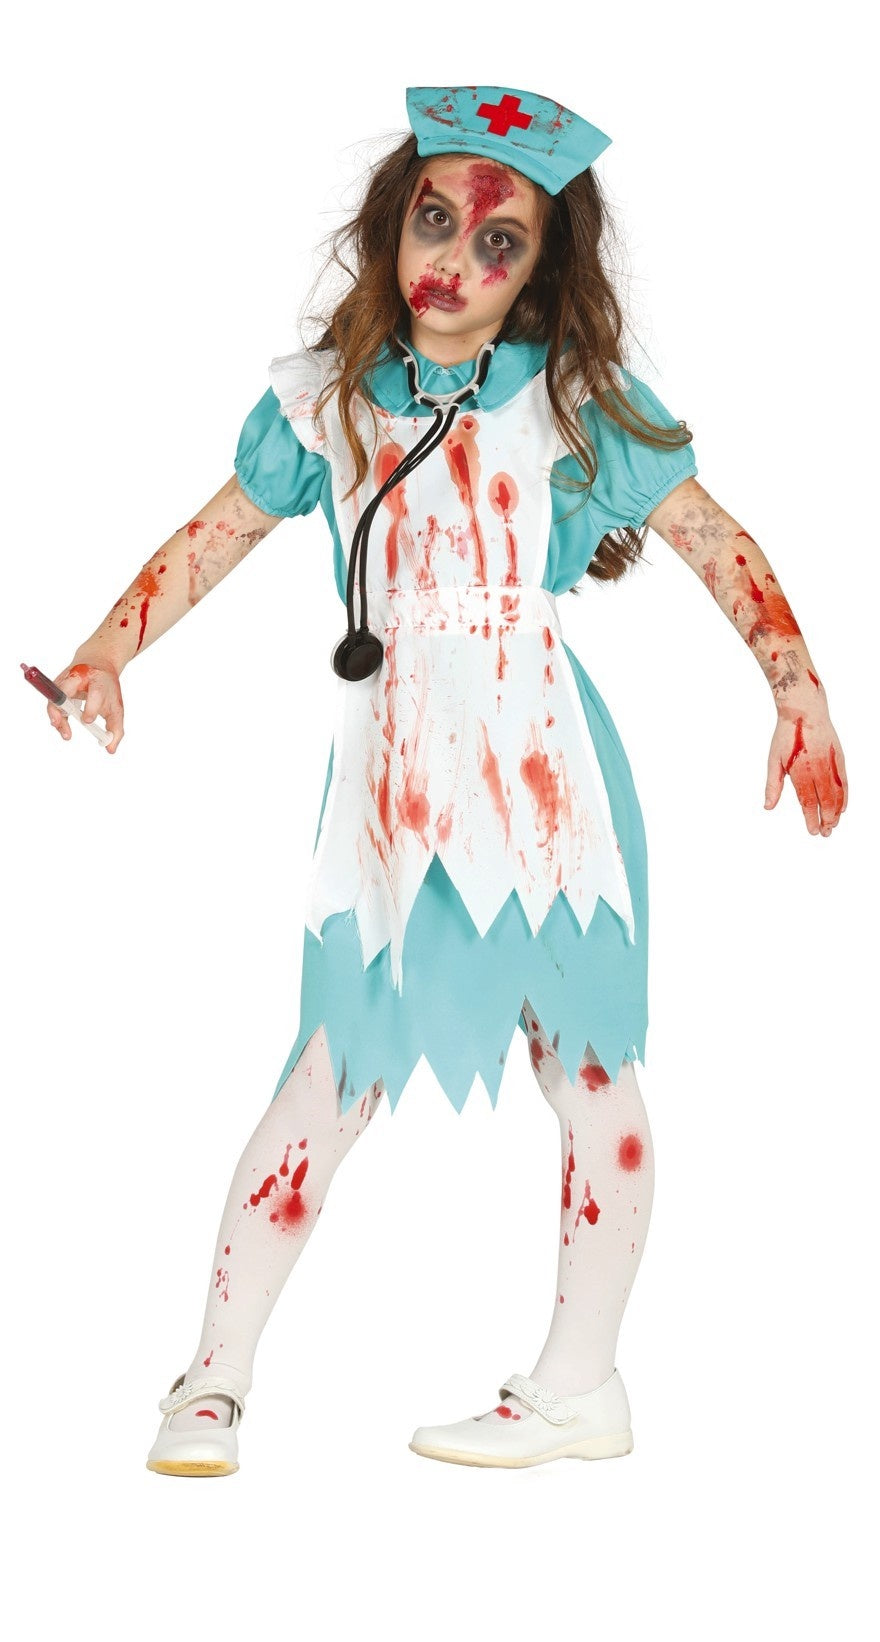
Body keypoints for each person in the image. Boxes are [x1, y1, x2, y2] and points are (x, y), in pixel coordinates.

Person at [45, 84, 848, 1477]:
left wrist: (798, 684)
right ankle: (212, 1377)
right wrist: (109, 650)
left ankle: (582, 1384)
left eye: (499, 243)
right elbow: (217, 532)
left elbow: (714, 537)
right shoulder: (328, 405)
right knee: (325, 1073)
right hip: (391, 786)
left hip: (548, 785)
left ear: (540, 272)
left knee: (590, 1070)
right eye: (436, 219)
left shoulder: (576, 406)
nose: (455, 262)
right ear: (392, 220)